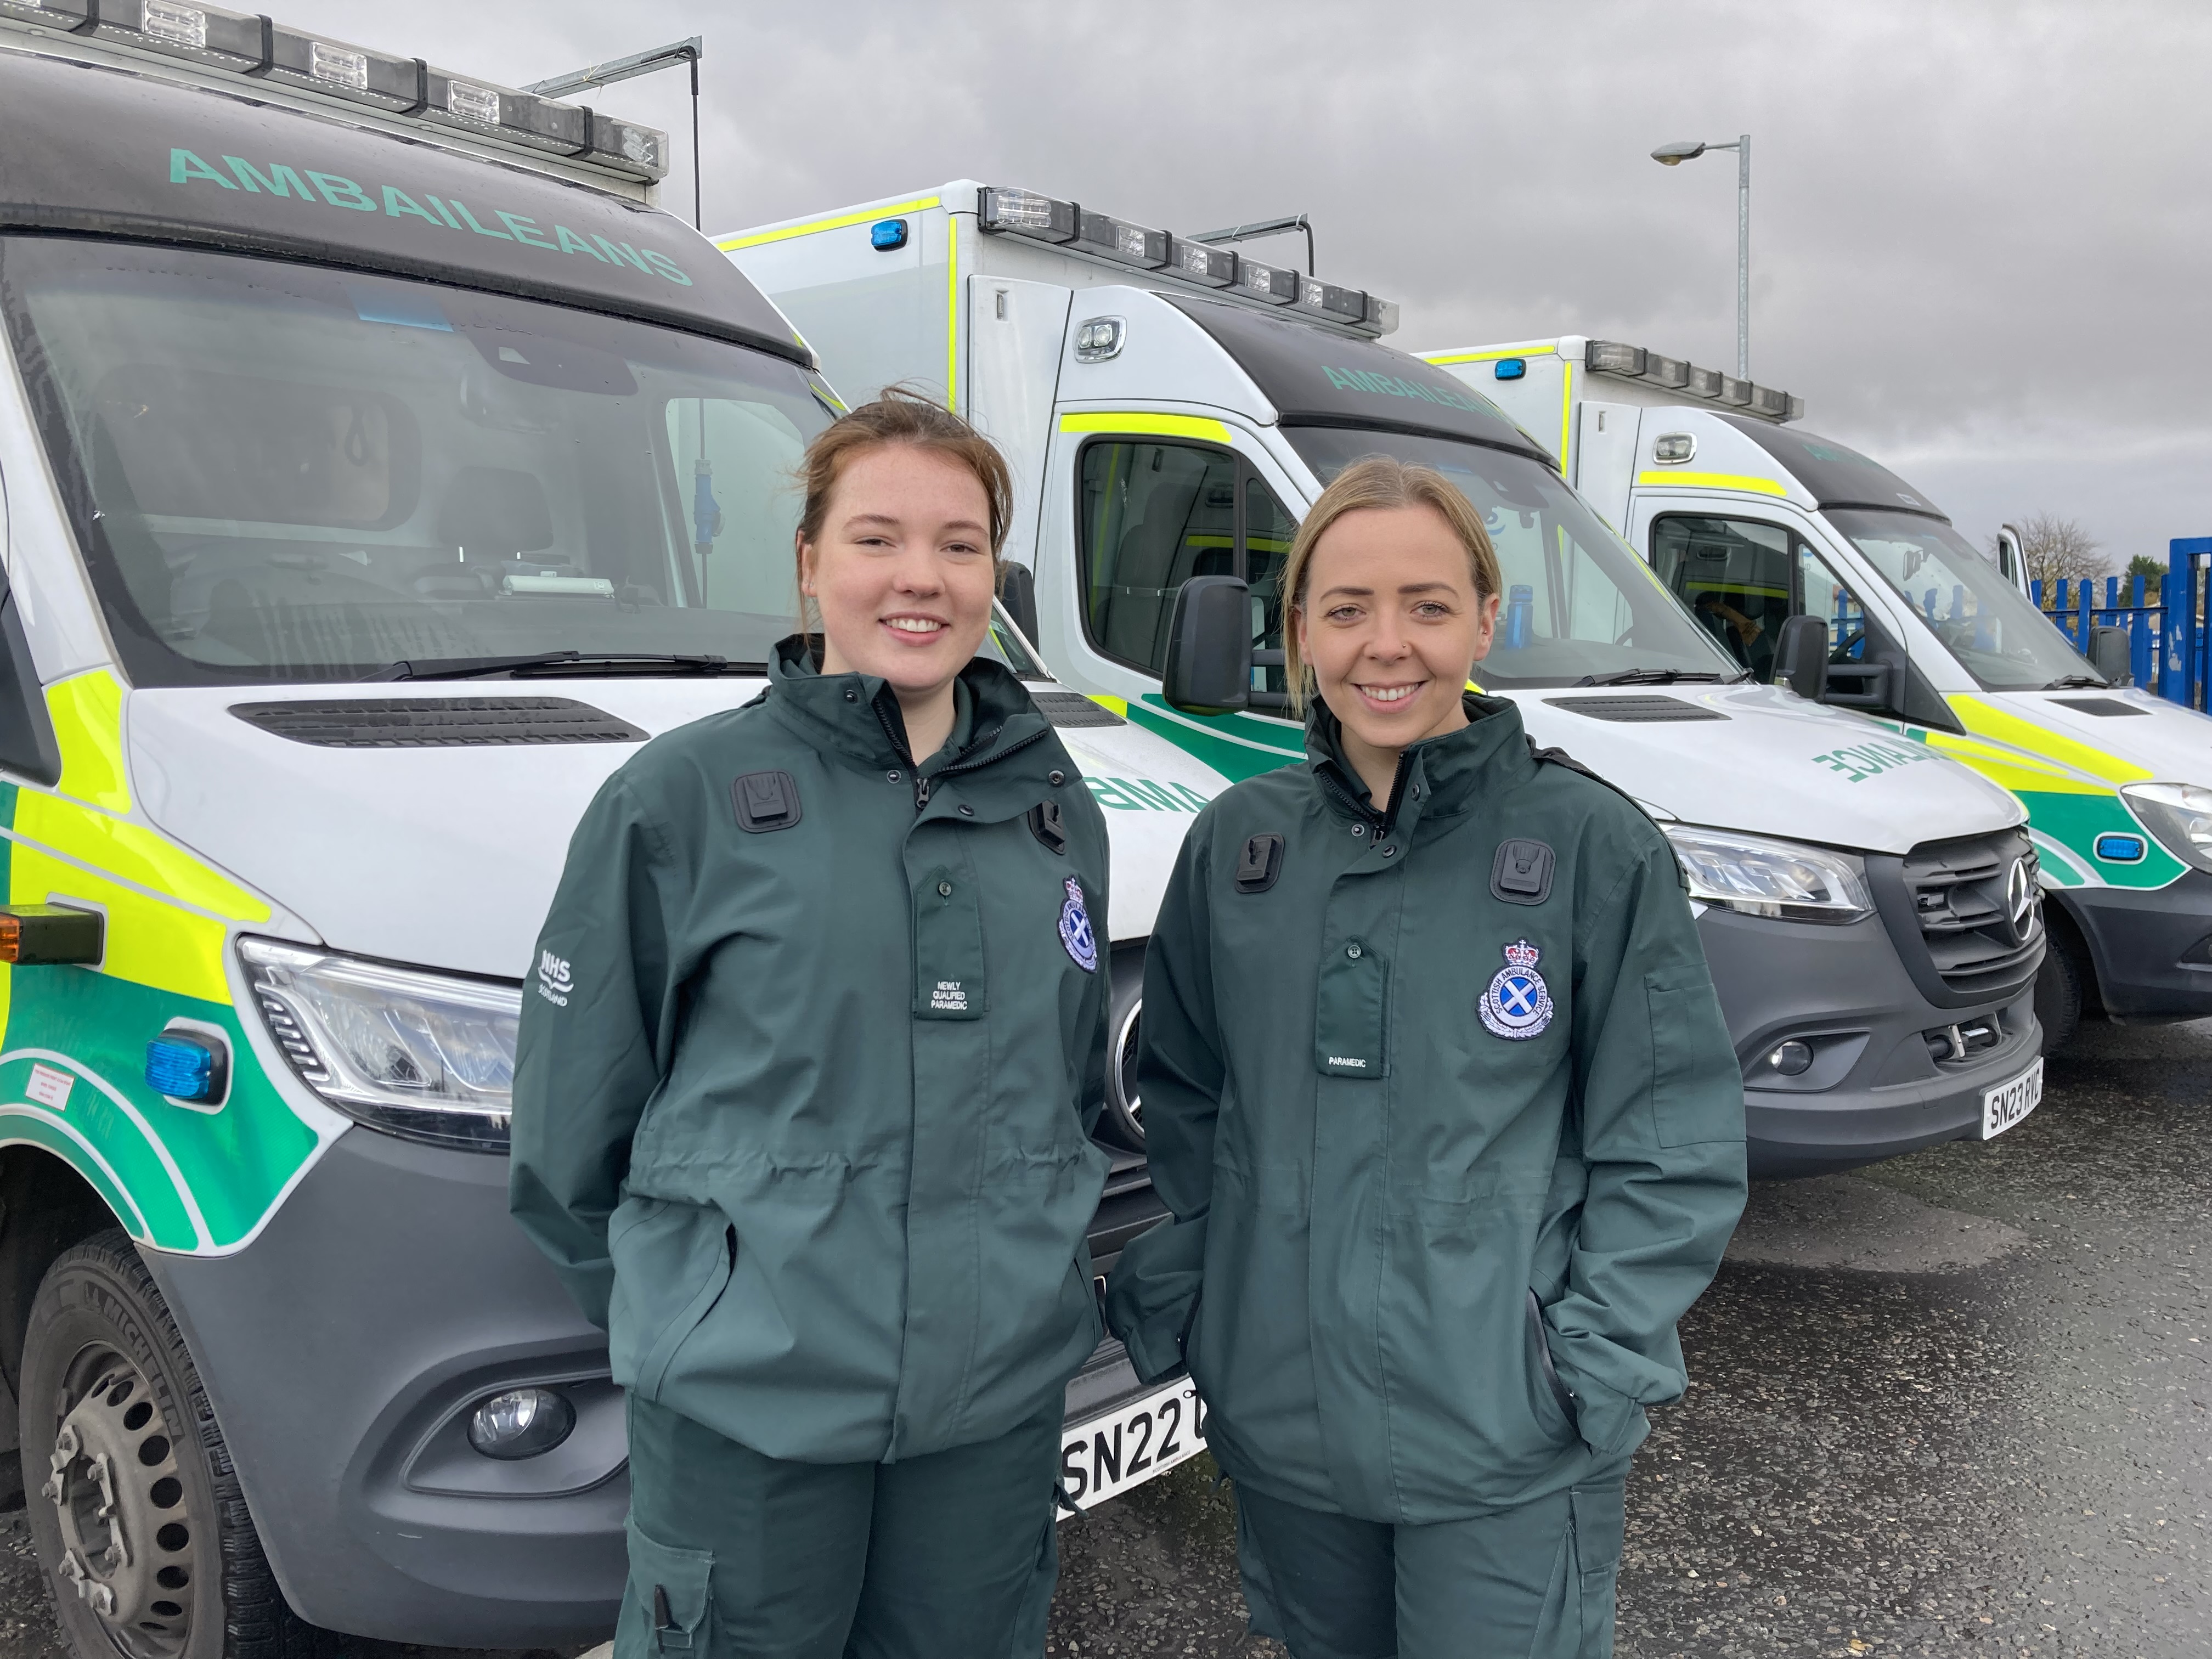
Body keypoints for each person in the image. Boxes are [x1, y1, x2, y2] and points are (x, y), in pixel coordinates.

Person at [1107, 455, 1747, 1659]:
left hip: (1503, 1438)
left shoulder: (1590, 847)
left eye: (1428, 606)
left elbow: (1672, 1142)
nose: (1385, 645)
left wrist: (1582, 1368)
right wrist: (1210, 1309)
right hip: (1288, 1435)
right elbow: (1185, 1101)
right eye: (1346, 610)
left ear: (1486, 620)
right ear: (1297, 629)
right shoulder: (1241, 849)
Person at [509, 391, 1113, 1658]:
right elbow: (573, 1126)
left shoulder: (1054, 813)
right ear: (809, 566)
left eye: (960, 545)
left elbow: (1063, 1101)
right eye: (877, 537)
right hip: (749, 1417)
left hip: (987, 1411)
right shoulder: (685, 799)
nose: (922, 577)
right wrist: (691, 1321)